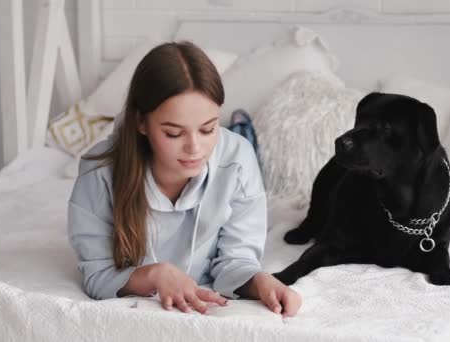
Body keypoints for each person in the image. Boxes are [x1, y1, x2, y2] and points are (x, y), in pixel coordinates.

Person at [67, 41, 301, 317]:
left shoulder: (237, 160)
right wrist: (155, 275)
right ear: (142, 122)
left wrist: (259, 281)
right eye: (174, 133)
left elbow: (235, 261)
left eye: (208, 129)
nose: (194, 148)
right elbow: (98, 276)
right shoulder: (99, 174)